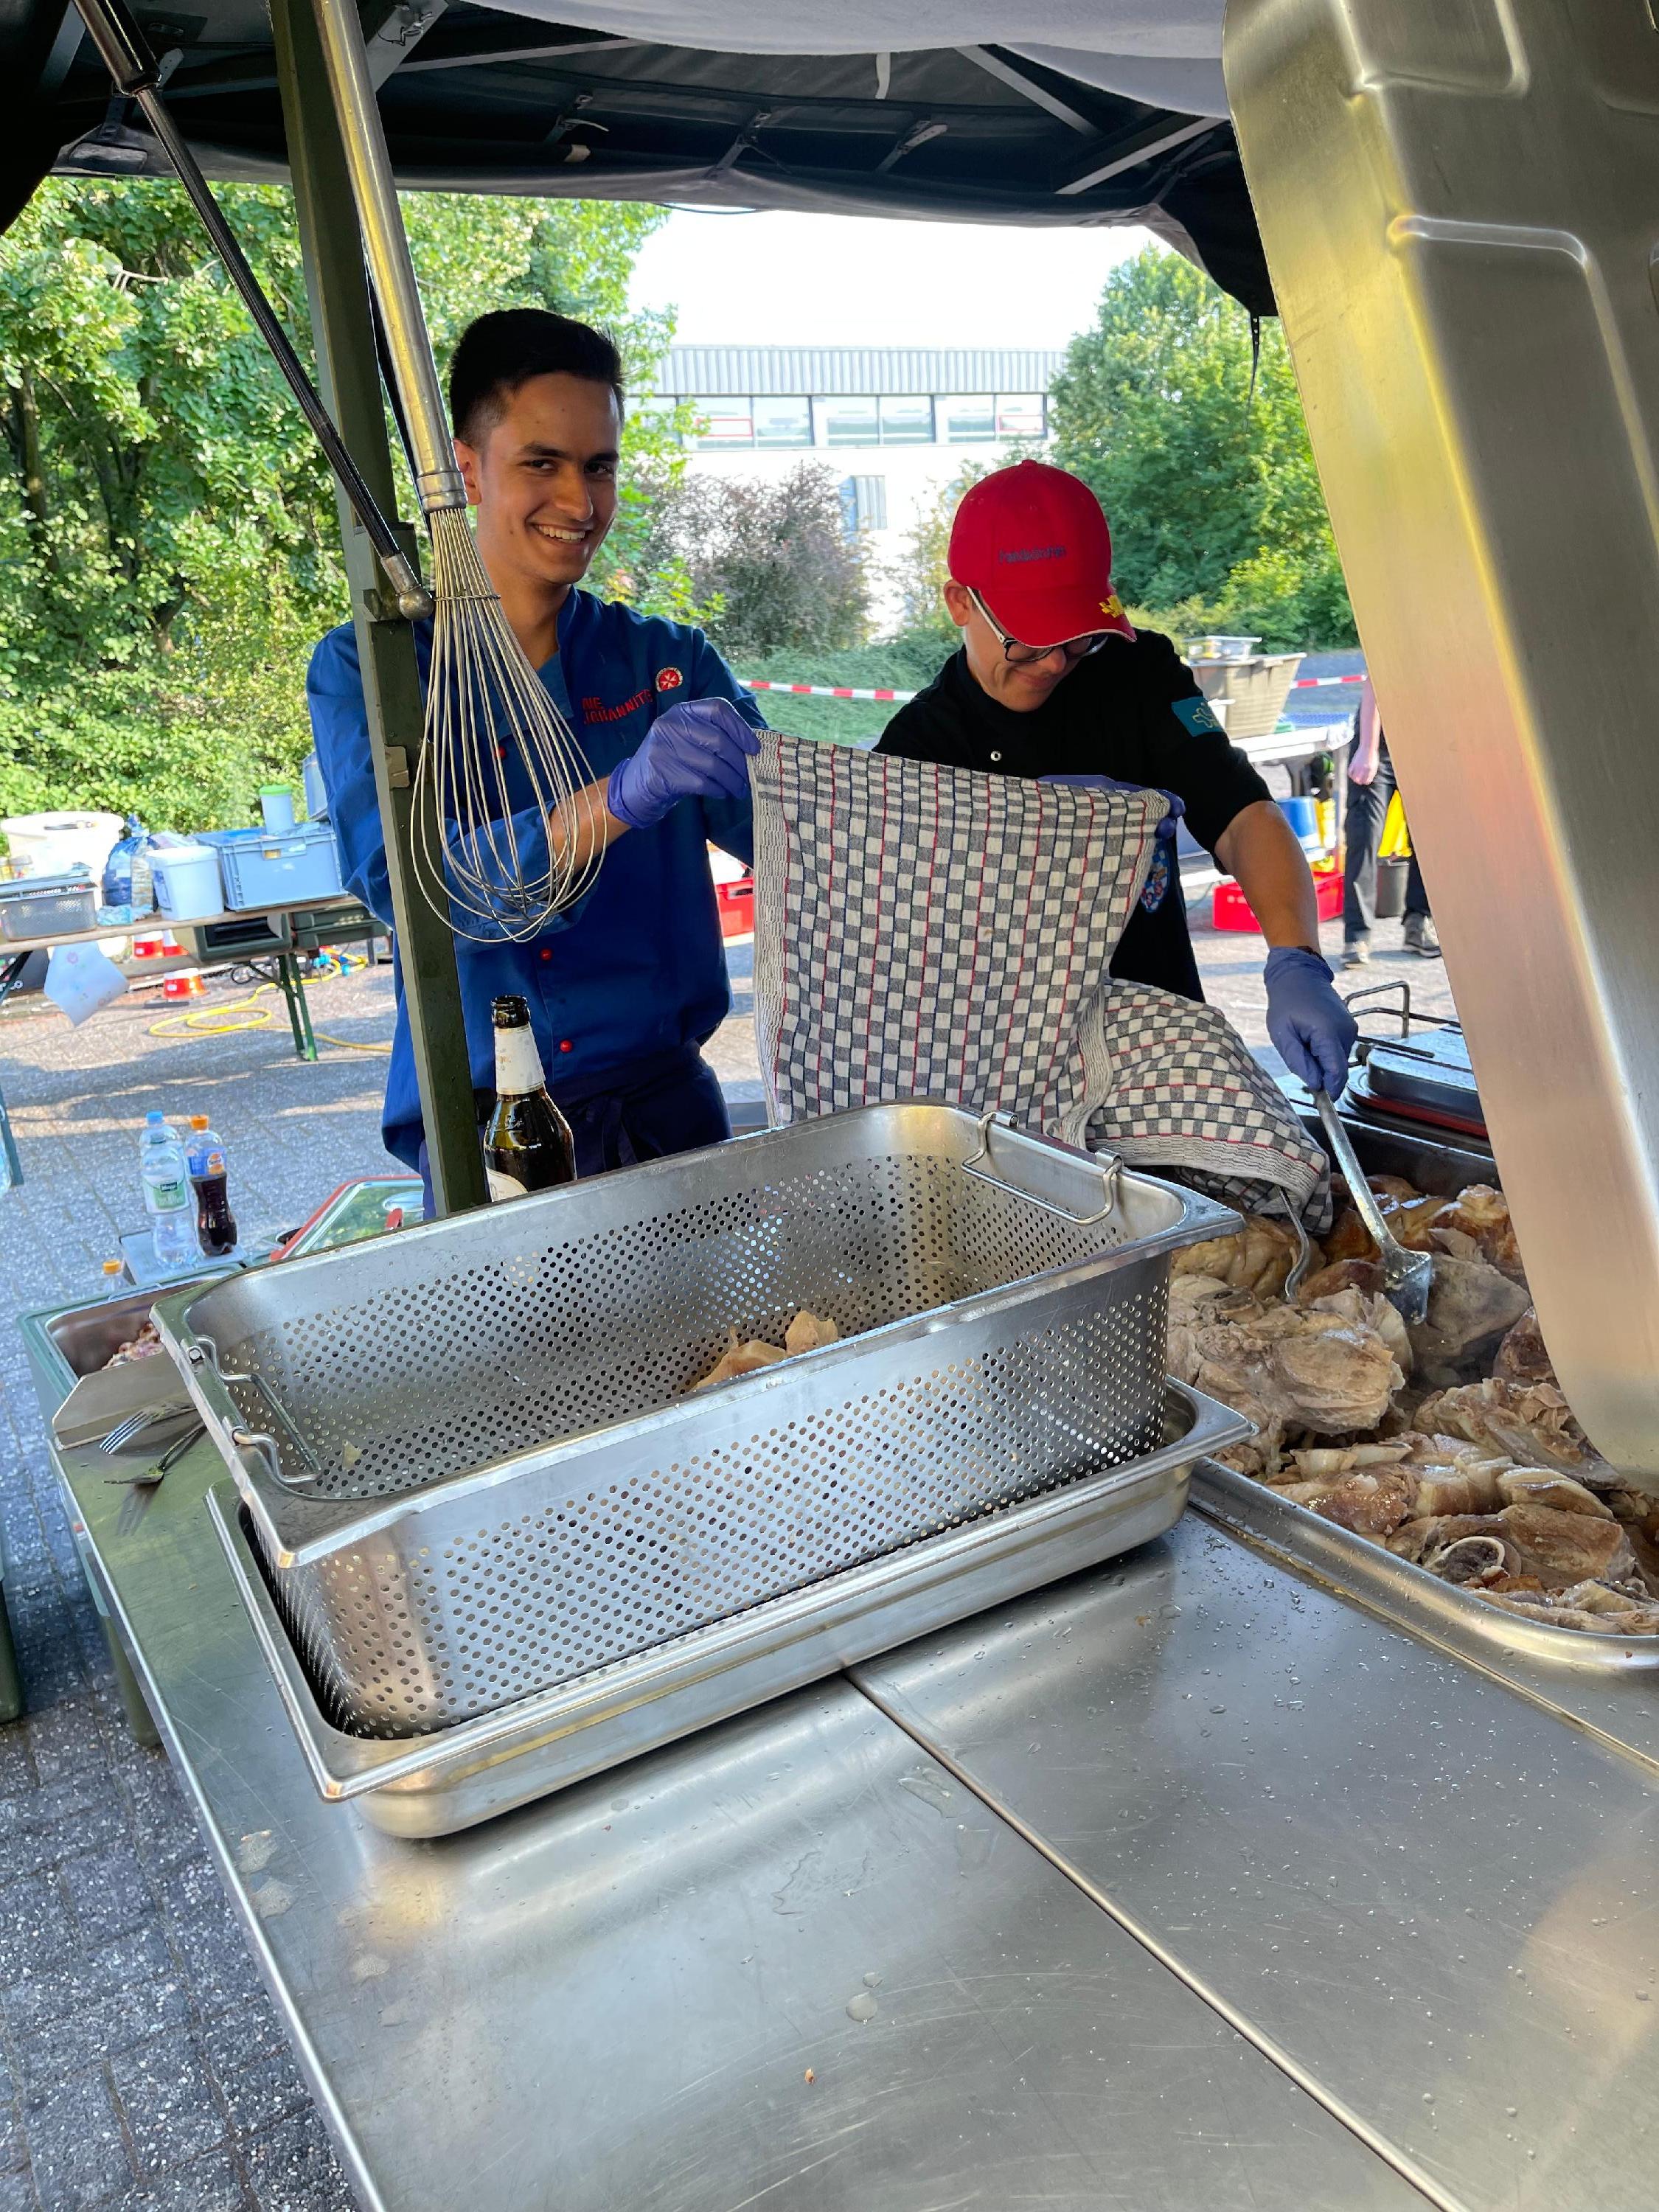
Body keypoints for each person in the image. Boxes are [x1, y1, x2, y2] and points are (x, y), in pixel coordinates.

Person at [307, 308, 763, 1198]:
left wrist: (1024, 822)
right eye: (542, 464)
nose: (579, 503)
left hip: (668, 1119)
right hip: (491, 1136)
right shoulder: (379, 671)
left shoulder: (667, 664)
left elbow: (817, 841)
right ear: (466, 466)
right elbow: (416, 887)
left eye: (600, 466)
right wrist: (623, 796)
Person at [877, 459, 1357, 1098]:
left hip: (1162, 1039)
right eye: (1027, 640)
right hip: (1006, 1070)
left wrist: (1295, 960)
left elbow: (1241, 815)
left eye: (1078, 639)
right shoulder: (920, 747)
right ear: (961, 603)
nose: (1053, 663)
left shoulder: (1139, 675)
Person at [1342, 677, 1437, 964]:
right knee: (1365, 838)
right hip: (1379, 745)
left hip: (1424, 744)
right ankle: (1357, 936)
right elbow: (1376, 683)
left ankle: (1419, 925)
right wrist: (1368, 749)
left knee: (1429, 838)